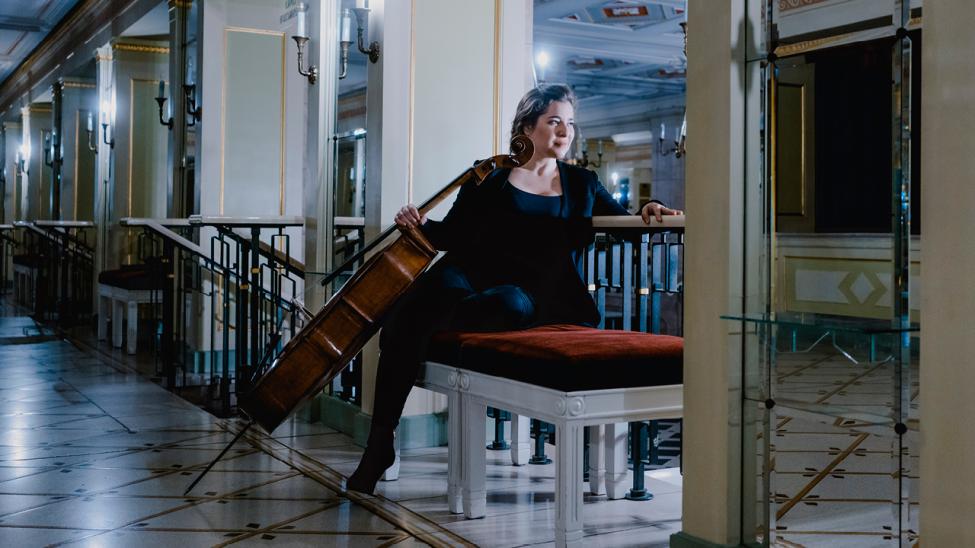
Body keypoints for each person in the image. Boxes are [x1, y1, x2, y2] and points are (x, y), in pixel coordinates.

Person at [346, 83, 683, 494]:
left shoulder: (582, 183)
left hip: (534, 294)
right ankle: (381, 440)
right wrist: (417, 224)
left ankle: (411, 324)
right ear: (527, 126)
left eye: (570, 124)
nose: (564, 132)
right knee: (432, 295)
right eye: (554, 121)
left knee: (500, 305)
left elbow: (624, 225)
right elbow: (451, 233)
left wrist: (649, 210)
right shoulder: (490, 174)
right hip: (468, 274)